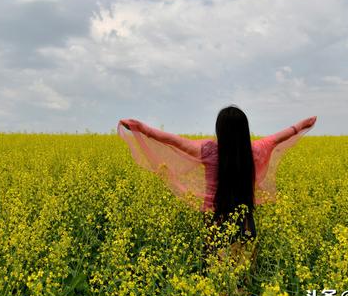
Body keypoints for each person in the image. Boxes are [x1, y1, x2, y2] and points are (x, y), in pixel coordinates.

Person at [117, 105, 317, 270]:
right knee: (241, 276)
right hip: (245, 221)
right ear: (244, 129)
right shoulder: (255, 150)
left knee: (216, 273)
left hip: (215, 220)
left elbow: (172, 140)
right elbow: (278, 137)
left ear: (219, 129)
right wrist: (300, 125)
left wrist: (140, 127)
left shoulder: (208, 151)